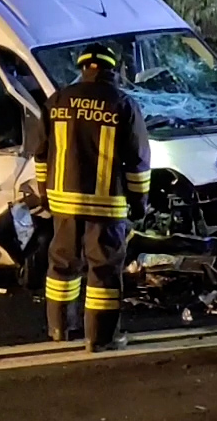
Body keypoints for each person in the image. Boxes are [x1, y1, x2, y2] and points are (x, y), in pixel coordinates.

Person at [33, 43, 151, 351]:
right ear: (112, 70)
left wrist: (45, 195)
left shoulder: (57, 101)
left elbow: (41, 154)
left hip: (62, 202)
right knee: (103, 269)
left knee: (61, 264)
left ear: (83, 68)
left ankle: (59, 328)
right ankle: (99, 338)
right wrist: (139, 203)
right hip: (105, 204)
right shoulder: (122, 104)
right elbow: (137, 161)